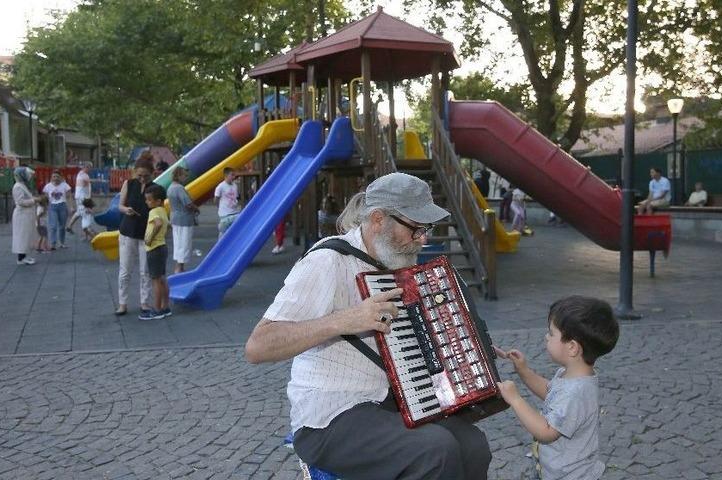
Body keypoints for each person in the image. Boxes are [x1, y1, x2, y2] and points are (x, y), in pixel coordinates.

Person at [244, 172, 492, 479]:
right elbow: (258, 346)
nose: (423, 239)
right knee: (436, 450)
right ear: (378, 219)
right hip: (330, 417)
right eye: (415, 229)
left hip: (392, 401)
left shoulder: (396, 261)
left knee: (473, 445)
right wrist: (345, 319)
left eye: (426, 229)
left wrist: (458, 341)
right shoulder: (327, 262)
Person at [495, 296, 619, 480]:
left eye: (551, 333)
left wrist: (516, 400)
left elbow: (546, 432)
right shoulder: (572, 376)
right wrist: (524, 371)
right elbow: (551, 393)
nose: (546, 337)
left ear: (572, 348)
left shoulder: (576, 393)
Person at [115, 153, 154, 316]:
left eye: (145, 176)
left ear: (151, 174)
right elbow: (120, 206)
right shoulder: (129, 184)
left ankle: (144, 301)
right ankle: (122, 303)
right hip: (128, 231)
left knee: (145, 270)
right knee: (125, 270)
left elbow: (158, 210)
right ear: (134, 173)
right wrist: (126, 210)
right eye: (139, 175)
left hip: (146, 233)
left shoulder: (156, 188)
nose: (142, 179)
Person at [142, 184, 172, 320]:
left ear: (158, 201)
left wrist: (149, 238)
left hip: (154, 248)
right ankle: (165, 307)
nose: (147, 202)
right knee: (162, 279)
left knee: (155, 280)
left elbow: (158, 224)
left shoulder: (153, 212)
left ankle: (157, 309)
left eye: (149, 199)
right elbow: (166, 225)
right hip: (162, 247)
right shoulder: (163, 210)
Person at [167, 166, 198, 273]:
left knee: (178, 243)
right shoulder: (179, 188)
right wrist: (196, 209)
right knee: (185, 243)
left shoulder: (170, 187)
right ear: (179, 175)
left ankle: (179, 266)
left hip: (174, 218)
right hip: (184, 219)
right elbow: (188, 203)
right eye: (184, 175)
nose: (185, 178)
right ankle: (179, 267)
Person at [11, 167, 40, 265]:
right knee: (22, 236)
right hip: (22, 215)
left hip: (26, 215)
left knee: (26, 236)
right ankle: (21, 258)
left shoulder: (22, 185)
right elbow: (20, 201)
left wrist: (33, 199)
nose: (30, 177)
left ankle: (24, 256)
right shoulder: (18, 187)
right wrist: (34, 200)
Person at [42, 171, 72, 249]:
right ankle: (53, 244)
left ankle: (62, 243)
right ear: (51, 178)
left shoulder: (65, 185)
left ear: (60, 177)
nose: (55, 178)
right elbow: (45, 199)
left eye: (57, 176)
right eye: (54, 176)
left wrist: (71, 207)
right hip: (52, 207)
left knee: (62, 227)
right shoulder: (47, 186)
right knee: (53, 226)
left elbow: (69, 197)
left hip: (62, 206)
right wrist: (44, 208)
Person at [214, 167, 241, 239]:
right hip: (225, 214)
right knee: (223, 233)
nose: (234, 177)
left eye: (234, 175)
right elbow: (216, 199)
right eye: (232, 175)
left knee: (234, 233)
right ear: (226, 175)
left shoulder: (235, 185)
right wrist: (220, 207)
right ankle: (220, 246)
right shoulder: (220, 187)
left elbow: (236, 197)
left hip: (234, 212)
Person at [67, 162, 92, 234]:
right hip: (83, 197)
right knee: (86, 213)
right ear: (86, 167)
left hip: (79, 196)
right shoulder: (84, 175)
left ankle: (69, 226)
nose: (90, 169)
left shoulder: (80, 174)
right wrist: (100, 180)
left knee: (78, 212)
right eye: (90, 167)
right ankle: (88, 231)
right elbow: (89, 181)